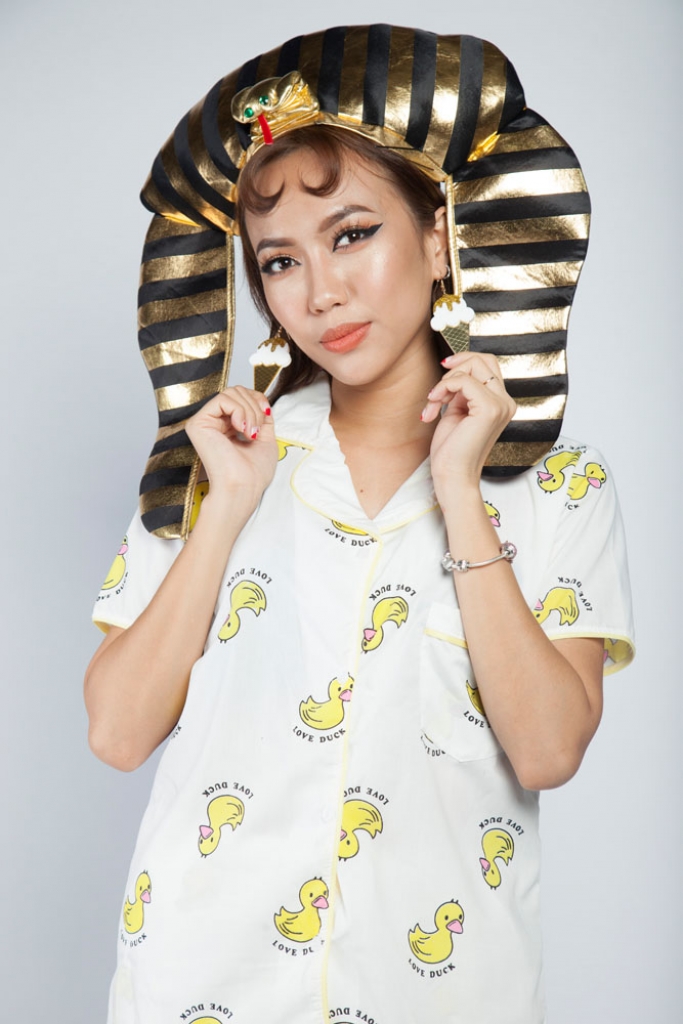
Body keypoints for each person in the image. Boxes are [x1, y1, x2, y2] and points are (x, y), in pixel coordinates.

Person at [84, 25, 634, 1024]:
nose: (320, 292)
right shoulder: (218, 463)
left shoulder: (558, 485)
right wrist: (224, 512)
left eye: (351, 234)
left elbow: (549, 750)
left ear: (437, 235)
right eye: (279, 260)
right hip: (200, 991)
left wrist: (459, 492)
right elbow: (118, 733)